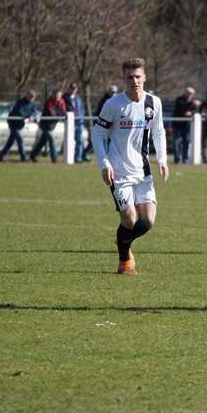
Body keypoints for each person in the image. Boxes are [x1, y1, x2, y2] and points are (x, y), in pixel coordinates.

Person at [91, 58, 169, 275]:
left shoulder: (154, 103)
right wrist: (104, 164)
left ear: (144, 77)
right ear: (124, 79)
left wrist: (162, 159)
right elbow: (97, 135)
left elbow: (158, 132)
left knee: (148, 221)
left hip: (143, 171)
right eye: (129, 77)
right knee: (129, 219)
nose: (134, 80)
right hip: (119, 172)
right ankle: (124, 262)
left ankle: (123, 239)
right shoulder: (113, 105)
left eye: (137, 76)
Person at [0, 90, 38, 162]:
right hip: (13, 123)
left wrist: (32, 116)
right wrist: (27, 117)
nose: (31, 99)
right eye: (30, 97)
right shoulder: (20, 102)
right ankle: (23, 158)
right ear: (27, 96)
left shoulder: (33, 104)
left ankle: (2, 156)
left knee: (11, 141)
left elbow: (34, 112)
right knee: (20, 140)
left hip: (20, 124)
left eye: (33, 97)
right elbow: (19, 112)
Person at [29, 89, 67, 162]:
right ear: (53, 95)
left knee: (42, 142)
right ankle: (54, 158)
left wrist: (60, 114)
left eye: (59, 95)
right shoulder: (49, 101)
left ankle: (33, 156)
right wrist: (60, 114)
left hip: (52, 124)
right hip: (46, 125)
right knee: (51, 139)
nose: (57, 97)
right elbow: (52, 113)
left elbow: (64, 112)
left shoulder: (62, 101)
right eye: (56, 95)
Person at [84, 84, 118, 160]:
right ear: (109, 92)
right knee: (98, 138)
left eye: (114, 92)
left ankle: (86, 152)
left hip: (108, 123)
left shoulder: (111, 100)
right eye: (112, 92)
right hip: (102, 123)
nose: (113, 94)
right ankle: (86, 153)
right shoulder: (107, 101)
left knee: (107, 139)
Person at [62, 83, 86, 162]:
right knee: (69, 141)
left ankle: (78, 158)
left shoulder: (78, 98)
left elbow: (81, 109)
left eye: (74, 88)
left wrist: (82, 117)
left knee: (80, 141)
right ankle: (69, 158)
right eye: (72, 88)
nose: (73, 90)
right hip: (70, 123)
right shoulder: (64, 97)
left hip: (79, 122)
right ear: (69, 88)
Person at [173, 87, 196, 163]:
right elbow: (180, 107)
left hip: (187, 126)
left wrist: (191, 113)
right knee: (177, 142)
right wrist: (190, 104)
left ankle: (185, 159)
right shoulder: (179, 99)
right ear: (185, 93)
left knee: (186, 142)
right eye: (188, 93)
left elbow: (195, 111)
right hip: (178, 125)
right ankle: (176, 159)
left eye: (191, 94)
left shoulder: (193, 102)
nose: (190, 95)